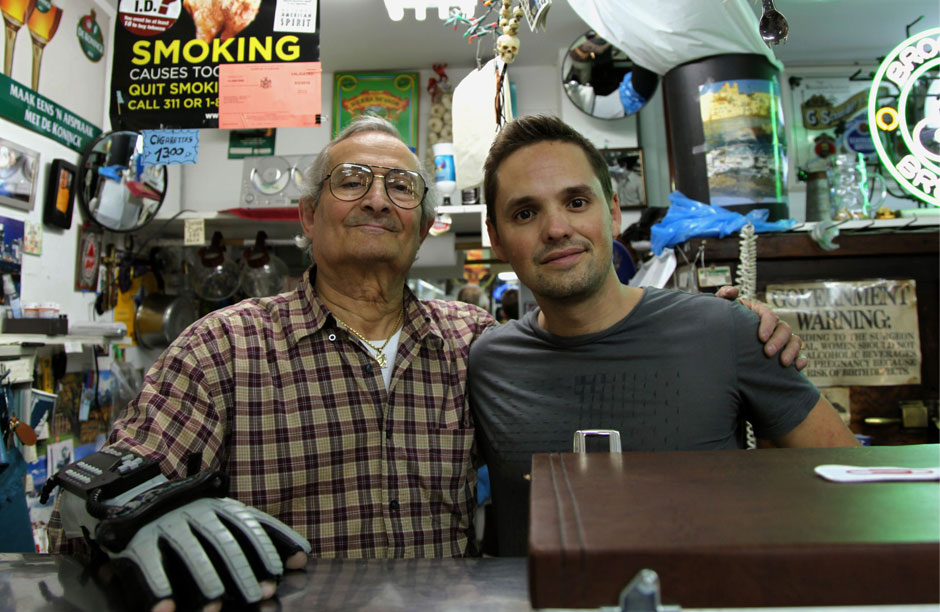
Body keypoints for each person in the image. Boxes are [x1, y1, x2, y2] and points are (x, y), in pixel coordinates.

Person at [46, 116, 802, 609]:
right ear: (306, 217)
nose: (378, 199)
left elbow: (599, 359)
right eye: (352, 181)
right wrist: (131, 515)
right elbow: (97, 501)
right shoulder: (221, 349)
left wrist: (725, 325)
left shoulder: (481, 344)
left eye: (400, 186)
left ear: (424, 224)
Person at [469, 114, 859, 556]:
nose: (557, 228)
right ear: (496, 239)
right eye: (525, 212)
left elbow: (851, 486)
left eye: (576, 202)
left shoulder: (726, 331)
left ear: (613, 213)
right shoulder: (487, 364)